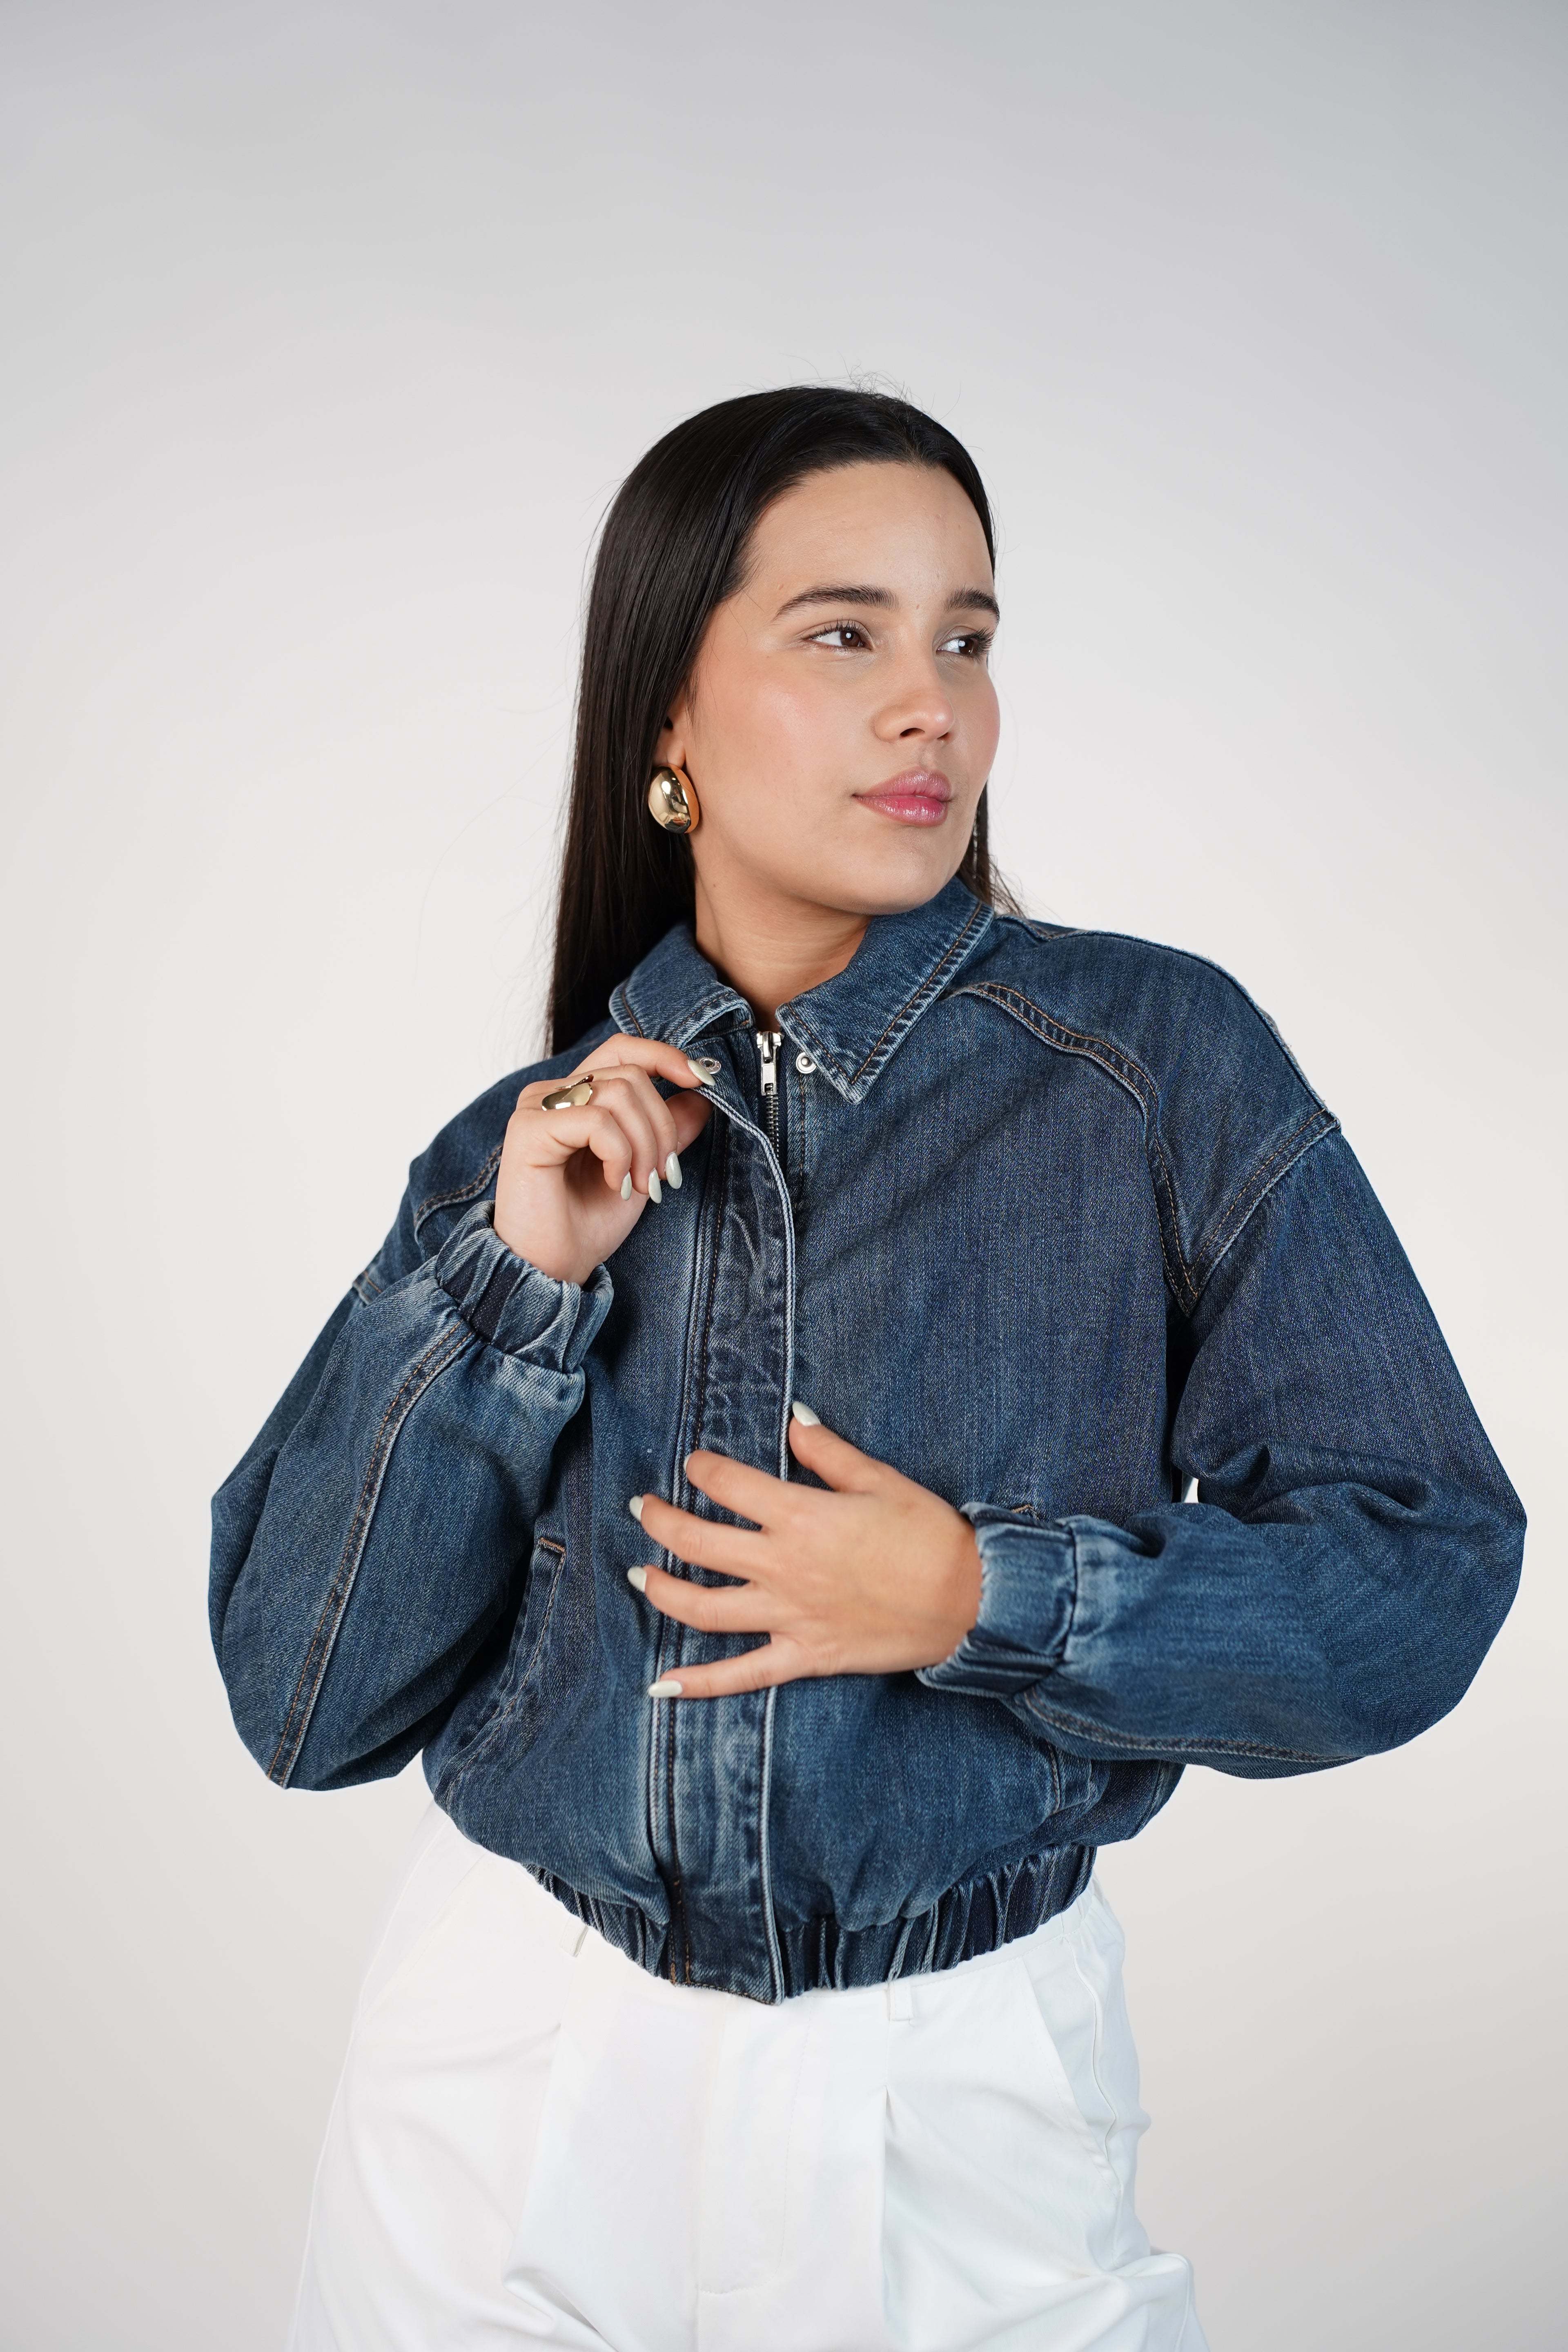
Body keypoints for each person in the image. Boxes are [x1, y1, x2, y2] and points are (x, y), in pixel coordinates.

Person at [210, 387, 1523, 2352]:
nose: (934, 708)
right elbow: (303, 1702)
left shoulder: (1152, 1065)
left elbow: (1422, 1568)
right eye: (846, 635)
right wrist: (508, 1287)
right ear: (669, 717)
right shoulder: (533, 1149)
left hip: (962, 2109)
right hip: (513, 2094)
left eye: (967, 639)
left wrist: (986, 1596)